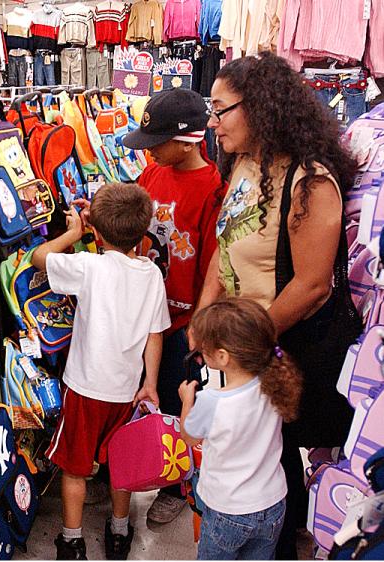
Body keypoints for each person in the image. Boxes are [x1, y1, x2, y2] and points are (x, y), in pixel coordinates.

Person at [197, 52, 361, 558]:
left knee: (278, 471)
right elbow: (226, 243)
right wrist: (205, 320)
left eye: (221, 108)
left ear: (260, 107)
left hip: (283, 348)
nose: (212, 120)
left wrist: (245, 342)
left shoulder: (310, 180)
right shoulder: (247, 164)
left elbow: (312, 286)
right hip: (243, 345)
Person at [31, 182, 171, 560]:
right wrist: (151, 384)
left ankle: (72, 540)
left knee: (75, 468)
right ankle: (120, 532)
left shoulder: (88, 266)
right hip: (127, 391)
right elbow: (155, 334)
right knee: (121, 464)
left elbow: (39, 258)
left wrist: (75, 231)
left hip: (84, 389)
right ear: (142, 233)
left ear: (96, 231)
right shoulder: (152, 275)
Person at [122, 87, 226, 525]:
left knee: (174, 400)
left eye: (155, 143)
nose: (148, 152)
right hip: (143, 314)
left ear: (186, 141)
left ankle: (175, 483)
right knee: (135, 392)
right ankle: (125, 463)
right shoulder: (153, 174)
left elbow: (213, 264)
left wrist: (199, 324)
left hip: (182, 320)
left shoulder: (212, 189)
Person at [180, 297, 302, 560]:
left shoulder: (211, 401)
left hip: (228, 509)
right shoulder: (274, 384)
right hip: (273, 503)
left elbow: (189, 436)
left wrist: (186, 400)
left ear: (222, 357)